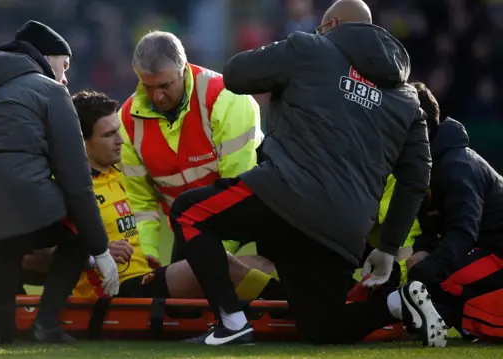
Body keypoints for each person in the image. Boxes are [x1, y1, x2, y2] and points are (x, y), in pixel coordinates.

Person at [168, 0, 448, 347]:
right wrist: (388, 247)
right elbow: (416, 178)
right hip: (343, 228)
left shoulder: (310, 47)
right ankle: (397, 304)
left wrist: (290, 52)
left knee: (189, 212)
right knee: (323, 328)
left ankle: (232, 322)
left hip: (285, 193)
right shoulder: (408, 100)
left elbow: (236, 74)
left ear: (331, 25)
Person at [0, 21, 119, 346]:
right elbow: (76, 180)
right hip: (20, 209)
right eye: (64, 66)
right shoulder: (50, 91)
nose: (65, 78)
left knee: (3, 333)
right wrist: (100, 249)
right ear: (47, 59)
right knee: (76, 230)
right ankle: (46, 324)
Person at [22, 90, 283, 301]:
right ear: (82, 141)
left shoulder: (121, 176)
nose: (121, 141)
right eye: (109, 134)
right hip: (114, 292)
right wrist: (95, 258)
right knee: (220, 262)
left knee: (259, 263)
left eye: (119, 132)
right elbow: (31, 259)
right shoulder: (62, 190)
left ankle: (284, 307)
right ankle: (293, 307)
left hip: (146, 279)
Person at [118, 31, 263, 267]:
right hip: (192, 230)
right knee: (180, 300)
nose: (158, 96)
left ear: (183, 70)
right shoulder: (126, 121)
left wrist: (215, 260)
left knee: (264, 296)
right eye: (148, 87)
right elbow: (139, 202)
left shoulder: (226, 97)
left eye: (165, 85)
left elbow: (238, 185)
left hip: (250, 221)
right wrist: (146, 256)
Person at [407, 82, 503, 339]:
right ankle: (440, 316)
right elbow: (433, 228)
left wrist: (421, 273)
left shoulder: (457, 168)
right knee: (431, 274)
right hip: (486, 252)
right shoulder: (433, 166)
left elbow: (463, 234)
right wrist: (422, 252)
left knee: (443, 277)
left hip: (496, 254)